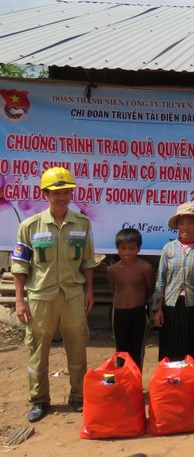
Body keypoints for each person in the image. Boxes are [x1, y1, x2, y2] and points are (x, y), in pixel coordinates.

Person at [12, 167, 95, 422]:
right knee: (38, 349)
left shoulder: (82, 224)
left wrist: (89, 290)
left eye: (67, 191)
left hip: (72, 295)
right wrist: (19, 299)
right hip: (40, 297)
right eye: (56, 192)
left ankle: (79, 396)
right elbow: (20, 265)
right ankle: (39, 400)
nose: (62, 197)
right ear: (45, 193)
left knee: (78, 347)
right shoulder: (30, 226)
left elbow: (88, 261)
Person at [152, 201, 194, 388]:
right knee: (171, 347)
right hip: (172, 306)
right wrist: (157, 309)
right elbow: (161, 281)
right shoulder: (169, 249)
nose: (185, 227)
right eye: (181, 223)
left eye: (190, 223)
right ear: (177, 227)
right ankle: (173, 386)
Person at [107, 227, 153, 370]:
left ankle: (135, 381)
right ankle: (123, 380)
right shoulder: (112, 270)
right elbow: (114, 288)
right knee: (121, 349)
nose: (127, 252)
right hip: (119, 313)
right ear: (117, 249)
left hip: (138, 312)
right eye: (123, 248)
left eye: (131, 248)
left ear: (138, 249)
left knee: (137, 348)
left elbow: (150, 289)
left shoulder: (145, 267)